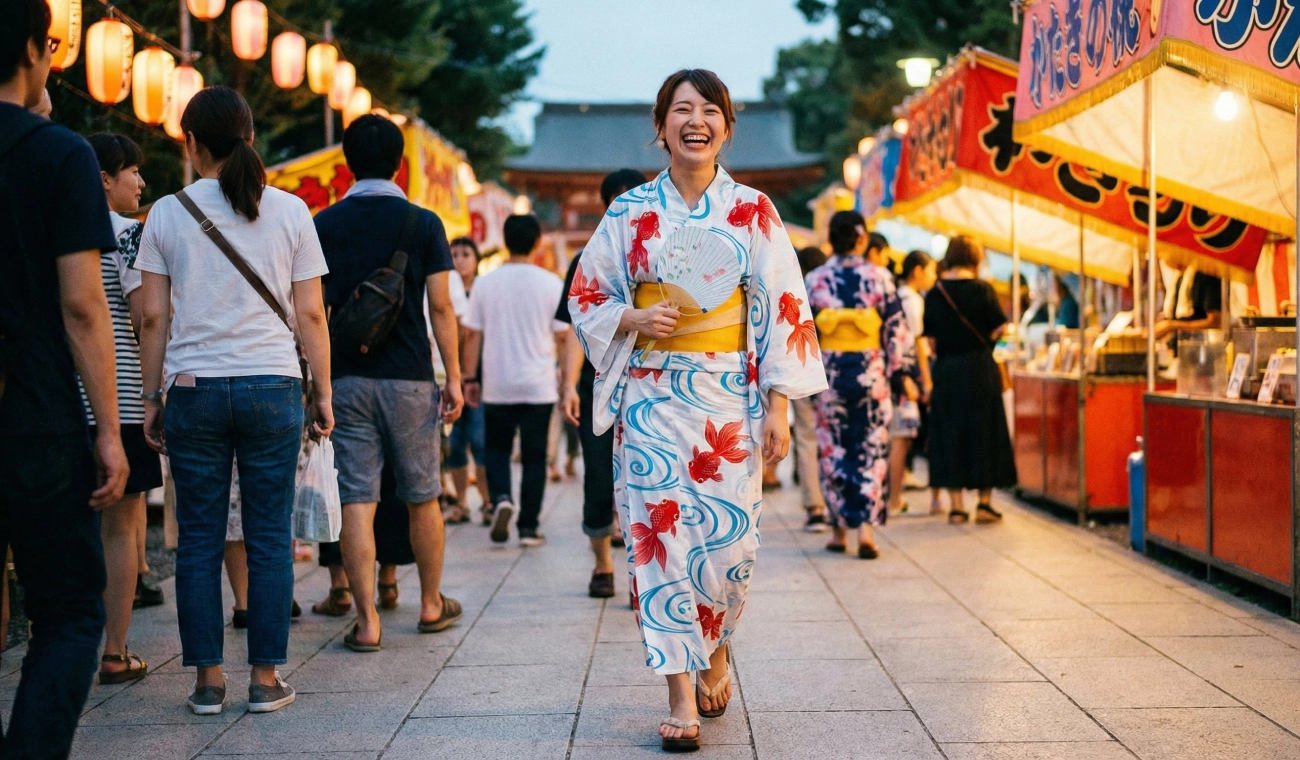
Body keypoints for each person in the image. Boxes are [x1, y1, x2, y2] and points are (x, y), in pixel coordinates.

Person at [567, 69, 827, 751]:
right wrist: (633, 317)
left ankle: (716, 641)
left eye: (710, 110)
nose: (696, 121)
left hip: (728, 398)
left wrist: (778, 405)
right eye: (681, 110)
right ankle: (679, 692)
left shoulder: (753, 210)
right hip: (652, 398)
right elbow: (586, 295)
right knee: (660, 545)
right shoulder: (629, 211)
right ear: (660, 128)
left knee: (729, 549)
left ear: (727, 128)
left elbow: (782, 305)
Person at [137, 86, 334, 715]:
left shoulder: (165, 213)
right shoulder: (291, 210)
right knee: (269, 537)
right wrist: (322, 391)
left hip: (192, 390)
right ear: (250, 137)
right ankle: (265, 679)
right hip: (272, 386)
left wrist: (150, 397)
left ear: (191, 143)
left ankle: (208, 682)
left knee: (197, 539)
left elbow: (152, 318)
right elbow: (311, 314)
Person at [0, 1, 129, 751]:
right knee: (71, 610)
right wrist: (108, 430)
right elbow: (83, 306)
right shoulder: (58, 155)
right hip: (36, 414)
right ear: (29, 48)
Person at [314, 114, 465, 652]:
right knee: (423, 495)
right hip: (409, 379)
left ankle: (367, 622)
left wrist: (318, 383)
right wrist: (454, 377)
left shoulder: (324, 224)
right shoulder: (422, 223)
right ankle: (430, 604)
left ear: (347, 163)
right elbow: (441, 307)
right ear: (400, 165)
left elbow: (313, 310)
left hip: (347, 379)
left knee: (358, 498)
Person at [82, 133, 165, 685]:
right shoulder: (129, 235)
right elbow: (144, 317)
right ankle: (114, 651)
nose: (140, 181)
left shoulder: (48, 230)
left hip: (62, 399)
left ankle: (51, 635)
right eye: (132, 171)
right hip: (123, 396)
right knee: (121, 525)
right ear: (105, 179)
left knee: (68, 522)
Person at [558, 168, 647, 598]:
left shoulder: (663, 255)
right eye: (617, 201)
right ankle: (602, 564)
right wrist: (567, 387)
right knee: (598, 478)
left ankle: (641, 574)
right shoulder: (586, 260)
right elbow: (574, 328)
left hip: (648, 383)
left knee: (644, 483)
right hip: (596, 386)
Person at [807, 214, 916, 559]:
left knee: (834, 448)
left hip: (829, 375)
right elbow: (895, 330)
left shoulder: (815, 279)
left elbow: (803, 331)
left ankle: (838, 531)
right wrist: (900, 373)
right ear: (862, 238)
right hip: (871, 373)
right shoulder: (880, 277)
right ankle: (866, 532)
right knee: (870, 449)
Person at [462, 214, 567, 546]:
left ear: (505, 241)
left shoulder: (485, 283)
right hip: (539, 385)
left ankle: (502, 498)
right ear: (537, 243)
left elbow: (472, 335)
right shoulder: (551, 283)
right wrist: (566, 381)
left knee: (497, 450)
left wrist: (469, 378)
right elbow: (563, 337)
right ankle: (528, 528)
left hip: (498, 383)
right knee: (535, 457)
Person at [923, 234, 1017, 523]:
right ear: (975, 257)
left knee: (951, 433)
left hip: (947, 370)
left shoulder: (935, 292)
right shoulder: (983, 289)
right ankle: (984, 504)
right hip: (980, 368)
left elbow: (930, 340)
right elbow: (1000, 329)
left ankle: (956, 506)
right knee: (984, 433)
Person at [888, 249, 938, 516]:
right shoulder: (913, 300)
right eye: (931, 270)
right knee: (901, 437)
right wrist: (926, 380)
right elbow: (917, 342)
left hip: (898, 374)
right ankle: (894, 499)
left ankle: (893, 497)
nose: (933, 276)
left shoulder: (899, 296)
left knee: (900, 436)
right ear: (917, 270)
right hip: (906, 375)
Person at [445, 236, 489, 524]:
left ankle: (487, 500)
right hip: (448, 376)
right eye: (454, 254)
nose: (459, 260)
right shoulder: (442, 291)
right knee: (454, 443)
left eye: (465, 254)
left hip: (480, 378)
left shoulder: (483, 292)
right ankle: (461, 502)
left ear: (476, 259)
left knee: (480, 440)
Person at [792, 246, 830, 532]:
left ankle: (814, 507)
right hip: (833, 371)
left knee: (806, 439)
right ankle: (835, 502)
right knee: (833, 438)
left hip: (802, 367)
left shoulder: (796, 292)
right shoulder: (830, 289)